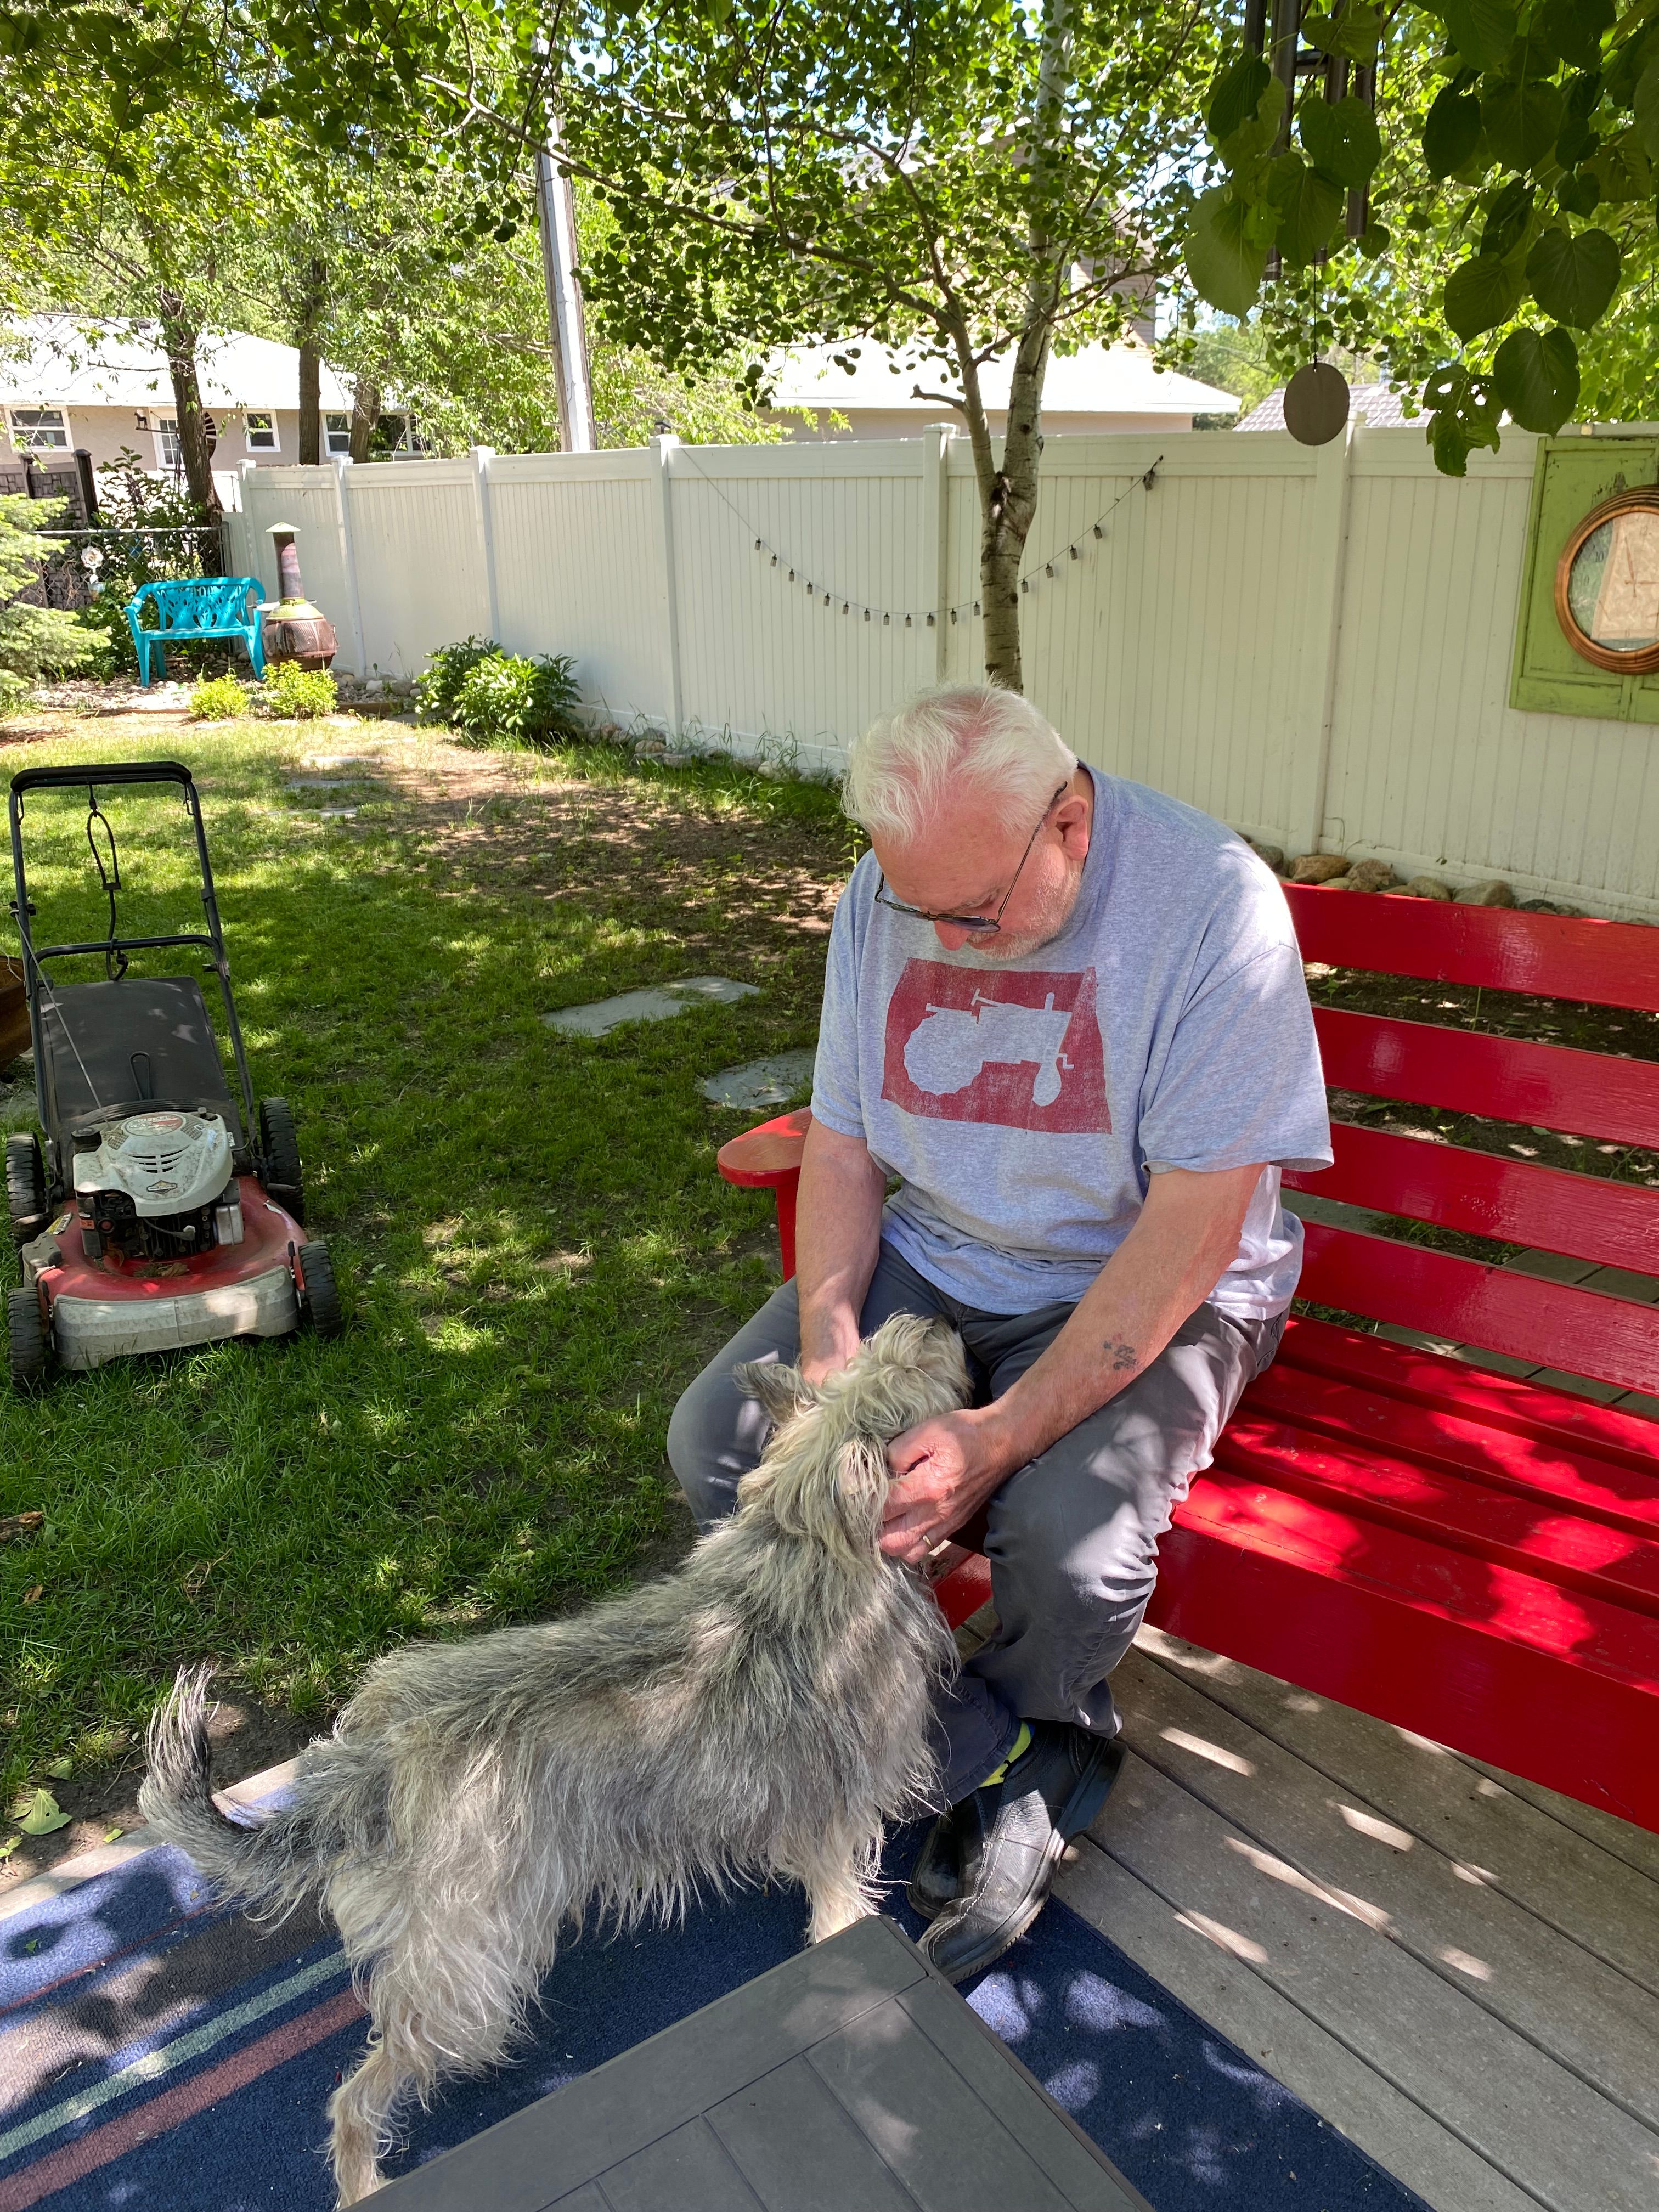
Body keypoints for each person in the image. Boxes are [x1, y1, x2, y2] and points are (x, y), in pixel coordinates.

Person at [668, 683, 1331, 1981]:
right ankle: (928, 1724)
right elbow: (842, 1140)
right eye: (917, 907)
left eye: (973, 913)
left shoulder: (1214, 907)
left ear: (1069, 826)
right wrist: (830, 1333)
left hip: (1146, 1285)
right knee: (729, 1441)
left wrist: (999, 1436)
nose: (944, 941)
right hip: (943, 1250)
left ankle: (1038, 1745)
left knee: (1068, 1540)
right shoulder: (895, 890)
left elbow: (1190, 1236)